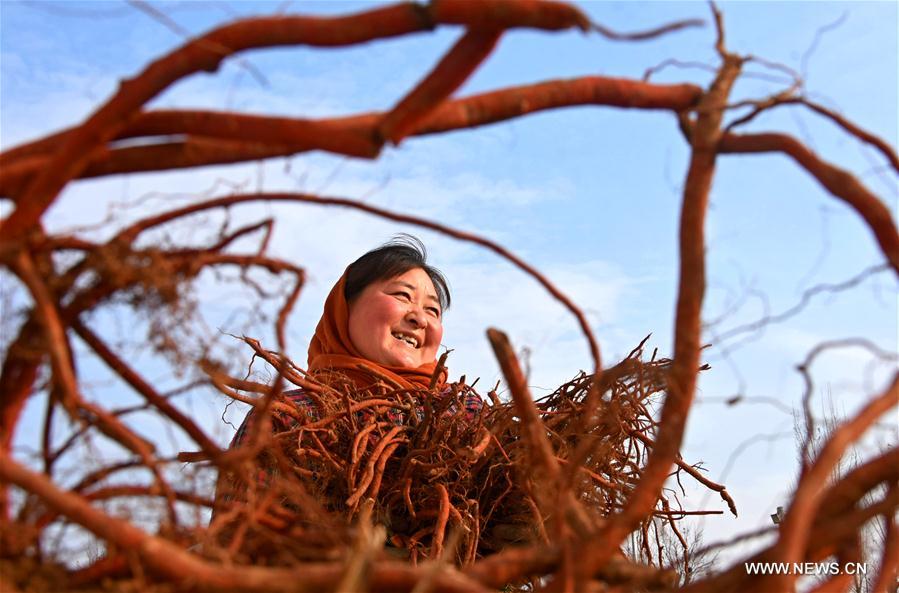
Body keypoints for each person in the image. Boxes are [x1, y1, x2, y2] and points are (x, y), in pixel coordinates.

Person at [211, 236, 482, 557]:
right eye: (402, 296)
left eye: (432, 310)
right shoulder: (288, 416)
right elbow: (232, 546)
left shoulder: (465, 413)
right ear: (345, 307)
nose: (419, 318)